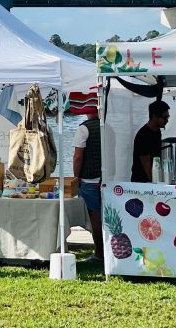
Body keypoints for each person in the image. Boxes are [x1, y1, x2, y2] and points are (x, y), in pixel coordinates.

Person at [72, 107, 103, 262]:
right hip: (108, 179)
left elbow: (78, 156)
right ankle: (108, 251)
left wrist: (76, 178)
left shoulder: (84, 128)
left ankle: (99, 253)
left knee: (95, 217)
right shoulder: (109, 125)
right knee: (107, 216)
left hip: (90, 179)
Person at [132, 100, 170, 183]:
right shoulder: (144, 135)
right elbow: (146, 164)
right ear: (154, 116)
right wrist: (155, 183)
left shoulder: (157, 131)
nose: (167, 120)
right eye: (164, 117)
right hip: (142, 182)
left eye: (168, 117)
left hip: (152, 179)